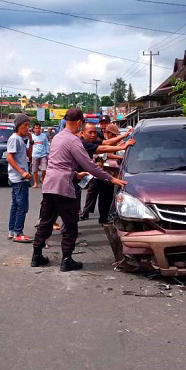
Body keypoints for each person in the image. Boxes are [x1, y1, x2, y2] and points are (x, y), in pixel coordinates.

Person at [32, 108, 127, 272]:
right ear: (78, 123)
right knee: (70, 225)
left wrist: (74, 173)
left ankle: (36, 256)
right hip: (63, 187)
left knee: (45, 222)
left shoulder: (56, 138)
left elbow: (57, 163)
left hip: (49, 185)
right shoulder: (73, 140)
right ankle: (66, 260)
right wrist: (110, 178)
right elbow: (89, 165)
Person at [7, 114, 33, 242]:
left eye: (28, 125)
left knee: (16, 205)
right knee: (22, 206)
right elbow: (9, 157)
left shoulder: (21, 139)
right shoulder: (14, 139)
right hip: (19, 178)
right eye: (25, 126)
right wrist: (22, 172)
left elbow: (28, 156)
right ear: (18, 126)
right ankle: (18, 232)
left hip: (19, 177)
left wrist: (31, 141)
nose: (27, 128)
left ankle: (12, 231)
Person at [31, 123, 50, 188]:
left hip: (43, 154)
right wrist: (28, 155)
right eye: (36, 128)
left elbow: (46, 144)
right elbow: (29, 146)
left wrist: (47, 153)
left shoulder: (44, 136)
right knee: (35, 170)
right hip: (35, 155)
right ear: (33, 129)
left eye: (38, 128)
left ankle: (42, 178)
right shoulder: (31, 137)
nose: (37, 129)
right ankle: (35, 182)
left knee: (44, 169)